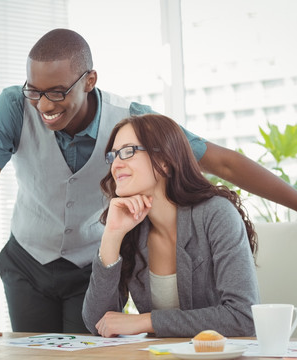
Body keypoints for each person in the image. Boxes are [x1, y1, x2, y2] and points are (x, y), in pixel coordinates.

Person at [0, 28, 297, 339]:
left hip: (90, 262)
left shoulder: (136, 126)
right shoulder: (15, 106)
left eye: (57, 92)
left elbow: (224, 163)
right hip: (29, 258)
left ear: (89, 80)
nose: (45, 105)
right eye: (36, 91)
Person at [82, 114, 259, 338]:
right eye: (113, 155)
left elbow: (243, 317)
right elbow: (97, 322)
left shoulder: (216, 215)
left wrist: (147, 321)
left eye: (128, 152)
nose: (116, 165)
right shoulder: (131, 227)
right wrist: (112, 235)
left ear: (165, 162)